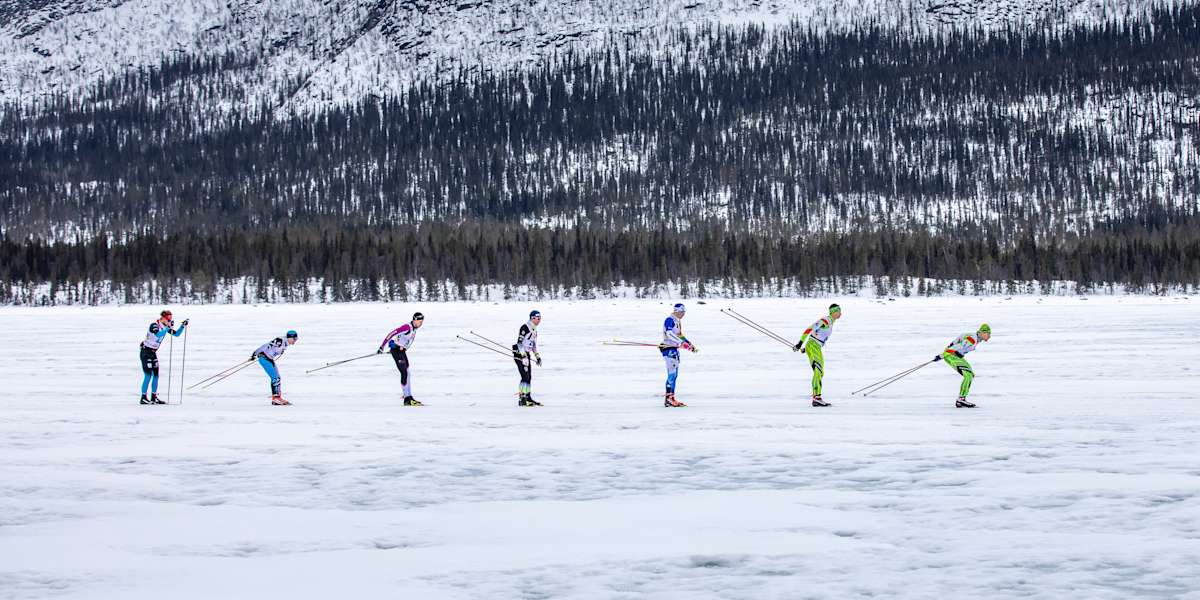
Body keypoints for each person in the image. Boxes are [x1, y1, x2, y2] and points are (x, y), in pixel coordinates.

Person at [792, 303, 842, 407]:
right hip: (813, 346)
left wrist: (806, 349)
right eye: (838, 311)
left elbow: (818, 335)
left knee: (820, 372)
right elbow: (809, 329)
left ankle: (816, 395)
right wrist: (800, 343)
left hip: (816, 347)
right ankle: (817, 398)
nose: (840, 313)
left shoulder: (831, 322)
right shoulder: (825, 320)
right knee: (818, 371)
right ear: (833, 312)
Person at [139, 310, 188, 404]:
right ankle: (143, 397)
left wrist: (182, 326)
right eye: (168, 320)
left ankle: (154, 397)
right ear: (162, 318)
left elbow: (176, 334)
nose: (169, 321)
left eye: (170, 320)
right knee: (148, 375)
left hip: (153, 353)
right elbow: (158, 334)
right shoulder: (154, 325)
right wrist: (167, 328)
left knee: (156, 376)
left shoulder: (165, 327)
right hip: (145, 352)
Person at [937, 324, 991, 408]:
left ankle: (961, 399)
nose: (989, 336)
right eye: (988, 334)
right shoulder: (972, 339)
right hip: (951, 355)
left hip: (957, 356)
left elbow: (958, 340)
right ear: (983, 333)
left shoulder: (975, 338)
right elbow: (957, 346)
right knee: (968, 375)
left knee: (970, 375)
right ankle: (961, 399)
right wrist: (942, 355)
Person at [378, 312, 425, 406]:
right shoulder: (407, 327)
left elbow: (403, 341)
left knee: (407, 373)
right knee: (404, 373)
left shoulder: (414, 329)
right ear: (415, 320)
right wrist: (382, 347)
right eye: (420, 322)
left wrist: (400, 346)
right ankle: (407, 399)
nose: (421, 324)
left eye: (422, 322)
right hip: (397, 351)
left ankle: (408, 396)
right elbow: (392, 333)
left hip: (401, 351)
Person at [660, 303, 697, 407]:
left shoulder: (677, 321)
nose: (683, 314)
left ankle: (671, 398)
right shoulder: (669, 320)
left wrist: (689, 344)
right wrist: (682, 343)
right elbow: (669, 334)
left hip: (674, 349)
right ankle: (669, 399)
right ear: (676, 311)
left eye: (684, 312)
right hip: (668, 349)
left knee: (675, 375)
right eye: (681, 312)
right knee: (672, 374)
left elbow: (680, 335)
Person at [252, 330, 299, 405]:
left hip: (269, 359)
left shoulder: (285, 343)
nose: (295, 341)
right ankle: (276, 399)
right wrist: (255, 353)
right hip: (264, 358)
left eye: (296, 339)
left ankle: (278, 397)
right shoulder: (280, 340)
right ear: (290, 337)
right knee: (275, 378)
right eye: (294, 339)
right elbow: (266, 345)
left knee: (278, 377)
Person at [512, 310, 543, 406]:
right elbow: (519, 343)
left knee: (528, 377)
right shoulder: (525, 327)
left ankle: (528, 397)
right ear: (532, 318)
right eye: (537, 318)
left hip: (527, 354)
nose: (539, 320)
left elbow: (533, 345)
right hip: (519, 354)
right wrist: (524, 356)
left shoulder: (534, 330)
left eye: (540, 318)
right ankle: (522, 399)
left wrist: (537, 357)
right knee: (525, 376)